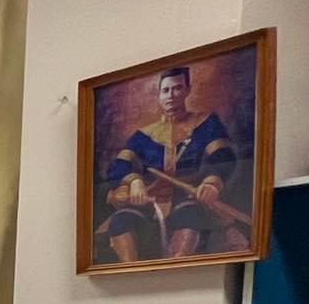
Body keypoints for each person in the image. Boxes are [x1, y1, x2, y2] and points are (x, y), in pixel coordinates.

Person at [99, 65, 250, 262]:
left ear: (187, 90)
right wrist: (134, 181)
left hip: (187, 195)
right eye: (165, 90)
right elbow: (119, 166)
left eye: (177, 88)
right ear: (159, 95)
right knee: (121, 222)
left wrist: (211, 183)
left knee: (191, 217)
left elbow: (222, 156)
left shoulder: (206, 123)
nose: (171, 95)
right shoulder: (143, 135)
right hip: (149, 200)